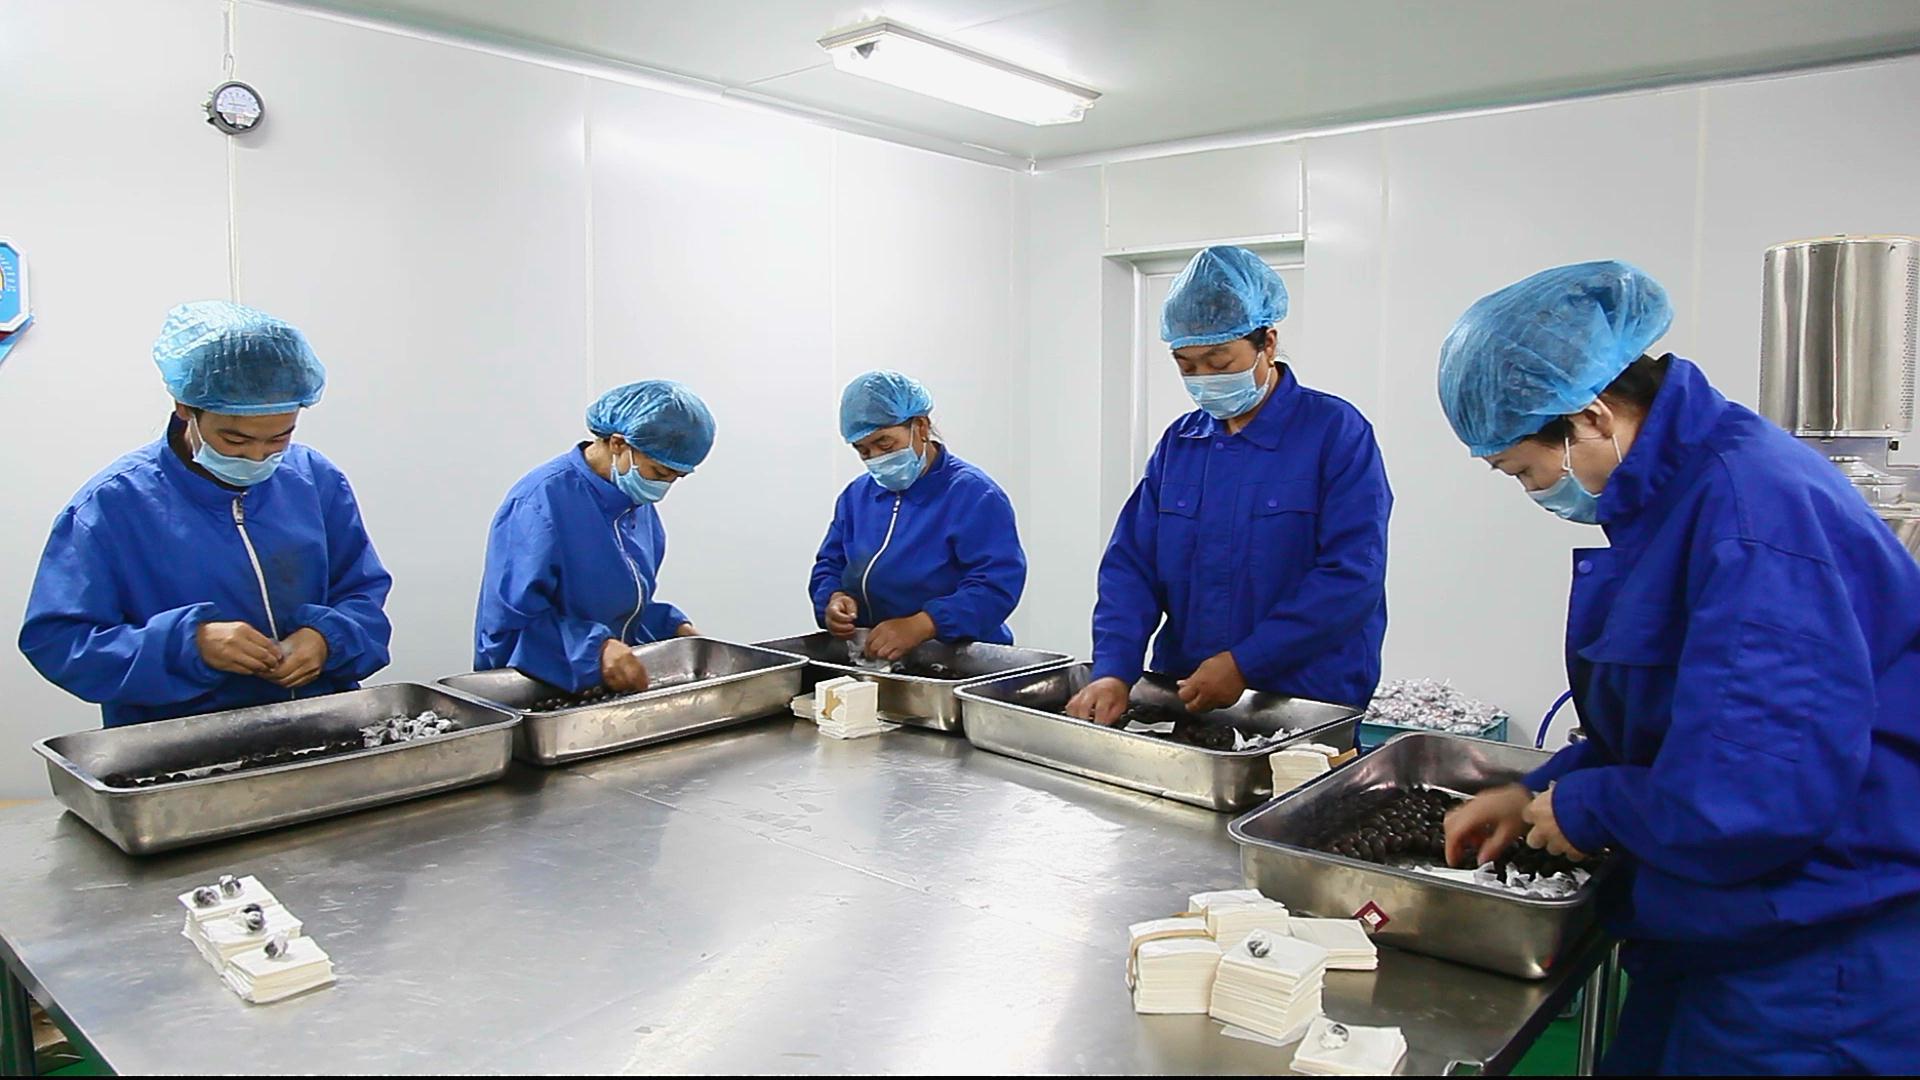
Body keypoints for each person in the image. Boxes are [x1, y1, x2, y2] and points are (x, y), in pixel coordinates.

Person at [1436, 260, 1920, 1074]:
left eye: (1523, 470)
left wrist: (1588, 806)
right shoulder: (1676, 496)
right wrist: (1539, 789)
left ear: (1591, 417)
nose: (1533, 491)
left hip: (1812, 958)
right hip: (1717, 925)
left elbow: (1755, 794)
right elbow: (1679, 720)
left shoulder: (1752, 516)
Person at [19, 301, 393, 727]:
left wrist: (327, 638)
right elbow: (60, 643)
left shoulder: (314, 481)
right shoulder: (112, 507)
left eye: (279, 438)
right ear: (185, 408)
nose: (257, 456)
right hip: (183, 744)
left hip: (320, 724)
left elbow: (362, 594)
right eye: (235, 440)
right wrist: (188, 646)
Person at [1067, 246, 1391, 724]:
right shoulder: (1181, 443)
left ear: (1268, 343)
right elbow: (1132, 565)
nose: (1203, 379)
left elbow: (1351, 576)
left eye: (1218, 363)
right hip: (1188, 688)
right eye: (1186, 365)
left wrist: (1246, 662)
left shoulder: (1335, 433)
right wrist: (1115, 669)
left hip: (1306, 698)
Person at [474, 381, 714, 694]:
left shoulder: (635, 506)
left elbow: (623, 610)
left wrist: (673, 629)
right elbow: (507, 631)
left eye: (676, 477)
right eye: (658, 473)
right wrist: (596, 650)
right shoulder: (539, 503)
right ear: (618, 443)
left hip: (599, 691)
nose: (664, 487)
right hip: (532, 694)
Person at [810, 371, 1026, 660]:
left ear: (920, 427)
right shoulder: (857, 496)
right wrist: (833, 598)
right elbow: (830, 563)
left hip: (957, 660)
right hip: (876, 657)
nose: (876, 458)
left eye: (885, 444)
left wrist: (923, 624)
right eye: (863, 451)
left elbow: (996, 585)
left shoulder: (973, 495)